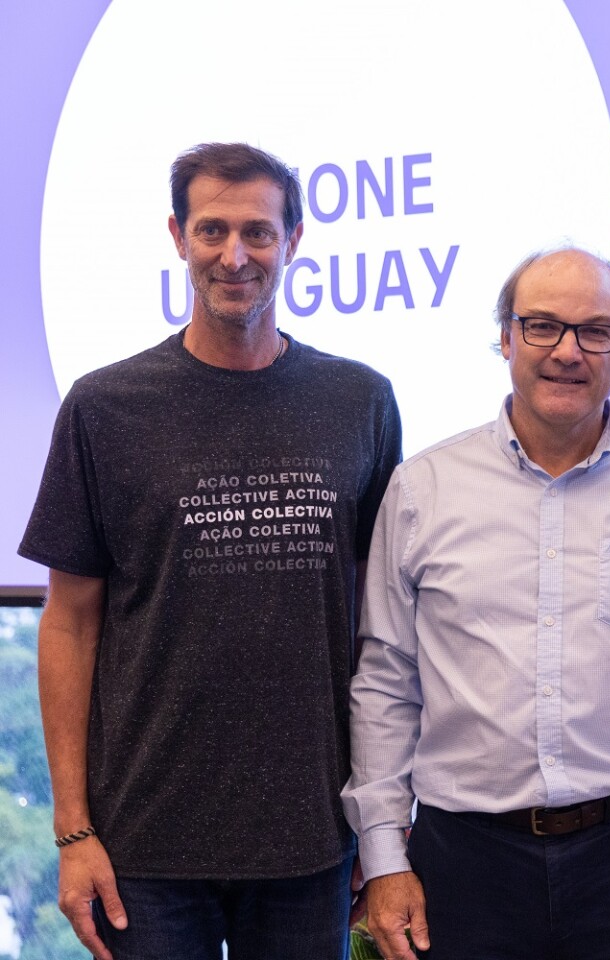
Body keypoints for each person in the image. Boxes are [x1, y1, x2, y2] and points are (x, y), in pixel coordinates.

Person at [20, 142, 403, 960]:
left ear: (294, 241)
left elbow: (384, 630)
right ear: (177, 236)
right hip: (143, 847)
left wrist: (383, 828)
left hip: (311, 839)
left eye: (258, 233)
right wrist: (71, 830)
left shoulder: (360, 402)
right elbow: (70, 625)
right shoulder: (103, 408)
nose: (235, 256)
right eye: (212, 231)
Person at [342, 246, 610, 960]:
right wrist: (386, 860)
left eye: (595, 331)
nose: (567, 352)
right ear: (506, 337)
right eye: (542, 326)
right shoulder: (424, 490)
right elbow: (386, 684)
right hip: (465, 863)